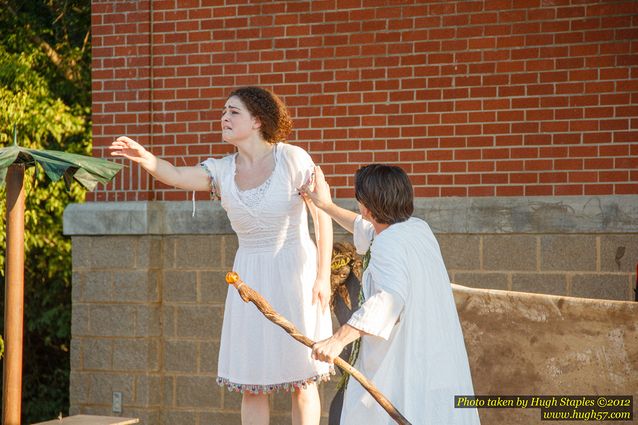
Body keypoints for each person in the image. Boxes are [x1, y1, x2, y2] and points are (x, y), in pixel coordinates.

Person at [110, 86, 333, 425]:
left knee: (301, 378)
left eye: (233, 112)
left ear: (257, 120)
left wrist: (322, 277)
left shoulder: (292, 158)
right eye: (223, 111)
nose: (223, 117)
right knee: (253, 384)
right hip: (248, 278)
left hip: (296, 273)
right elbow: (177, 175)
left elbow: (322, 214)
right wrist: (146, 158)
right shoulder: (221, 170)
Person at [301, 164, 481, 425]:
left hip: (406, 365)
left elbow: (388, 299)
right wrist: (326, 206)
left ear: (367, 207)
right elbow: (365, 228)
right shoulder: (417, 230)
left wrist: (337, 340)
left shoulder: (389, 243)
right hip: (434, 365)